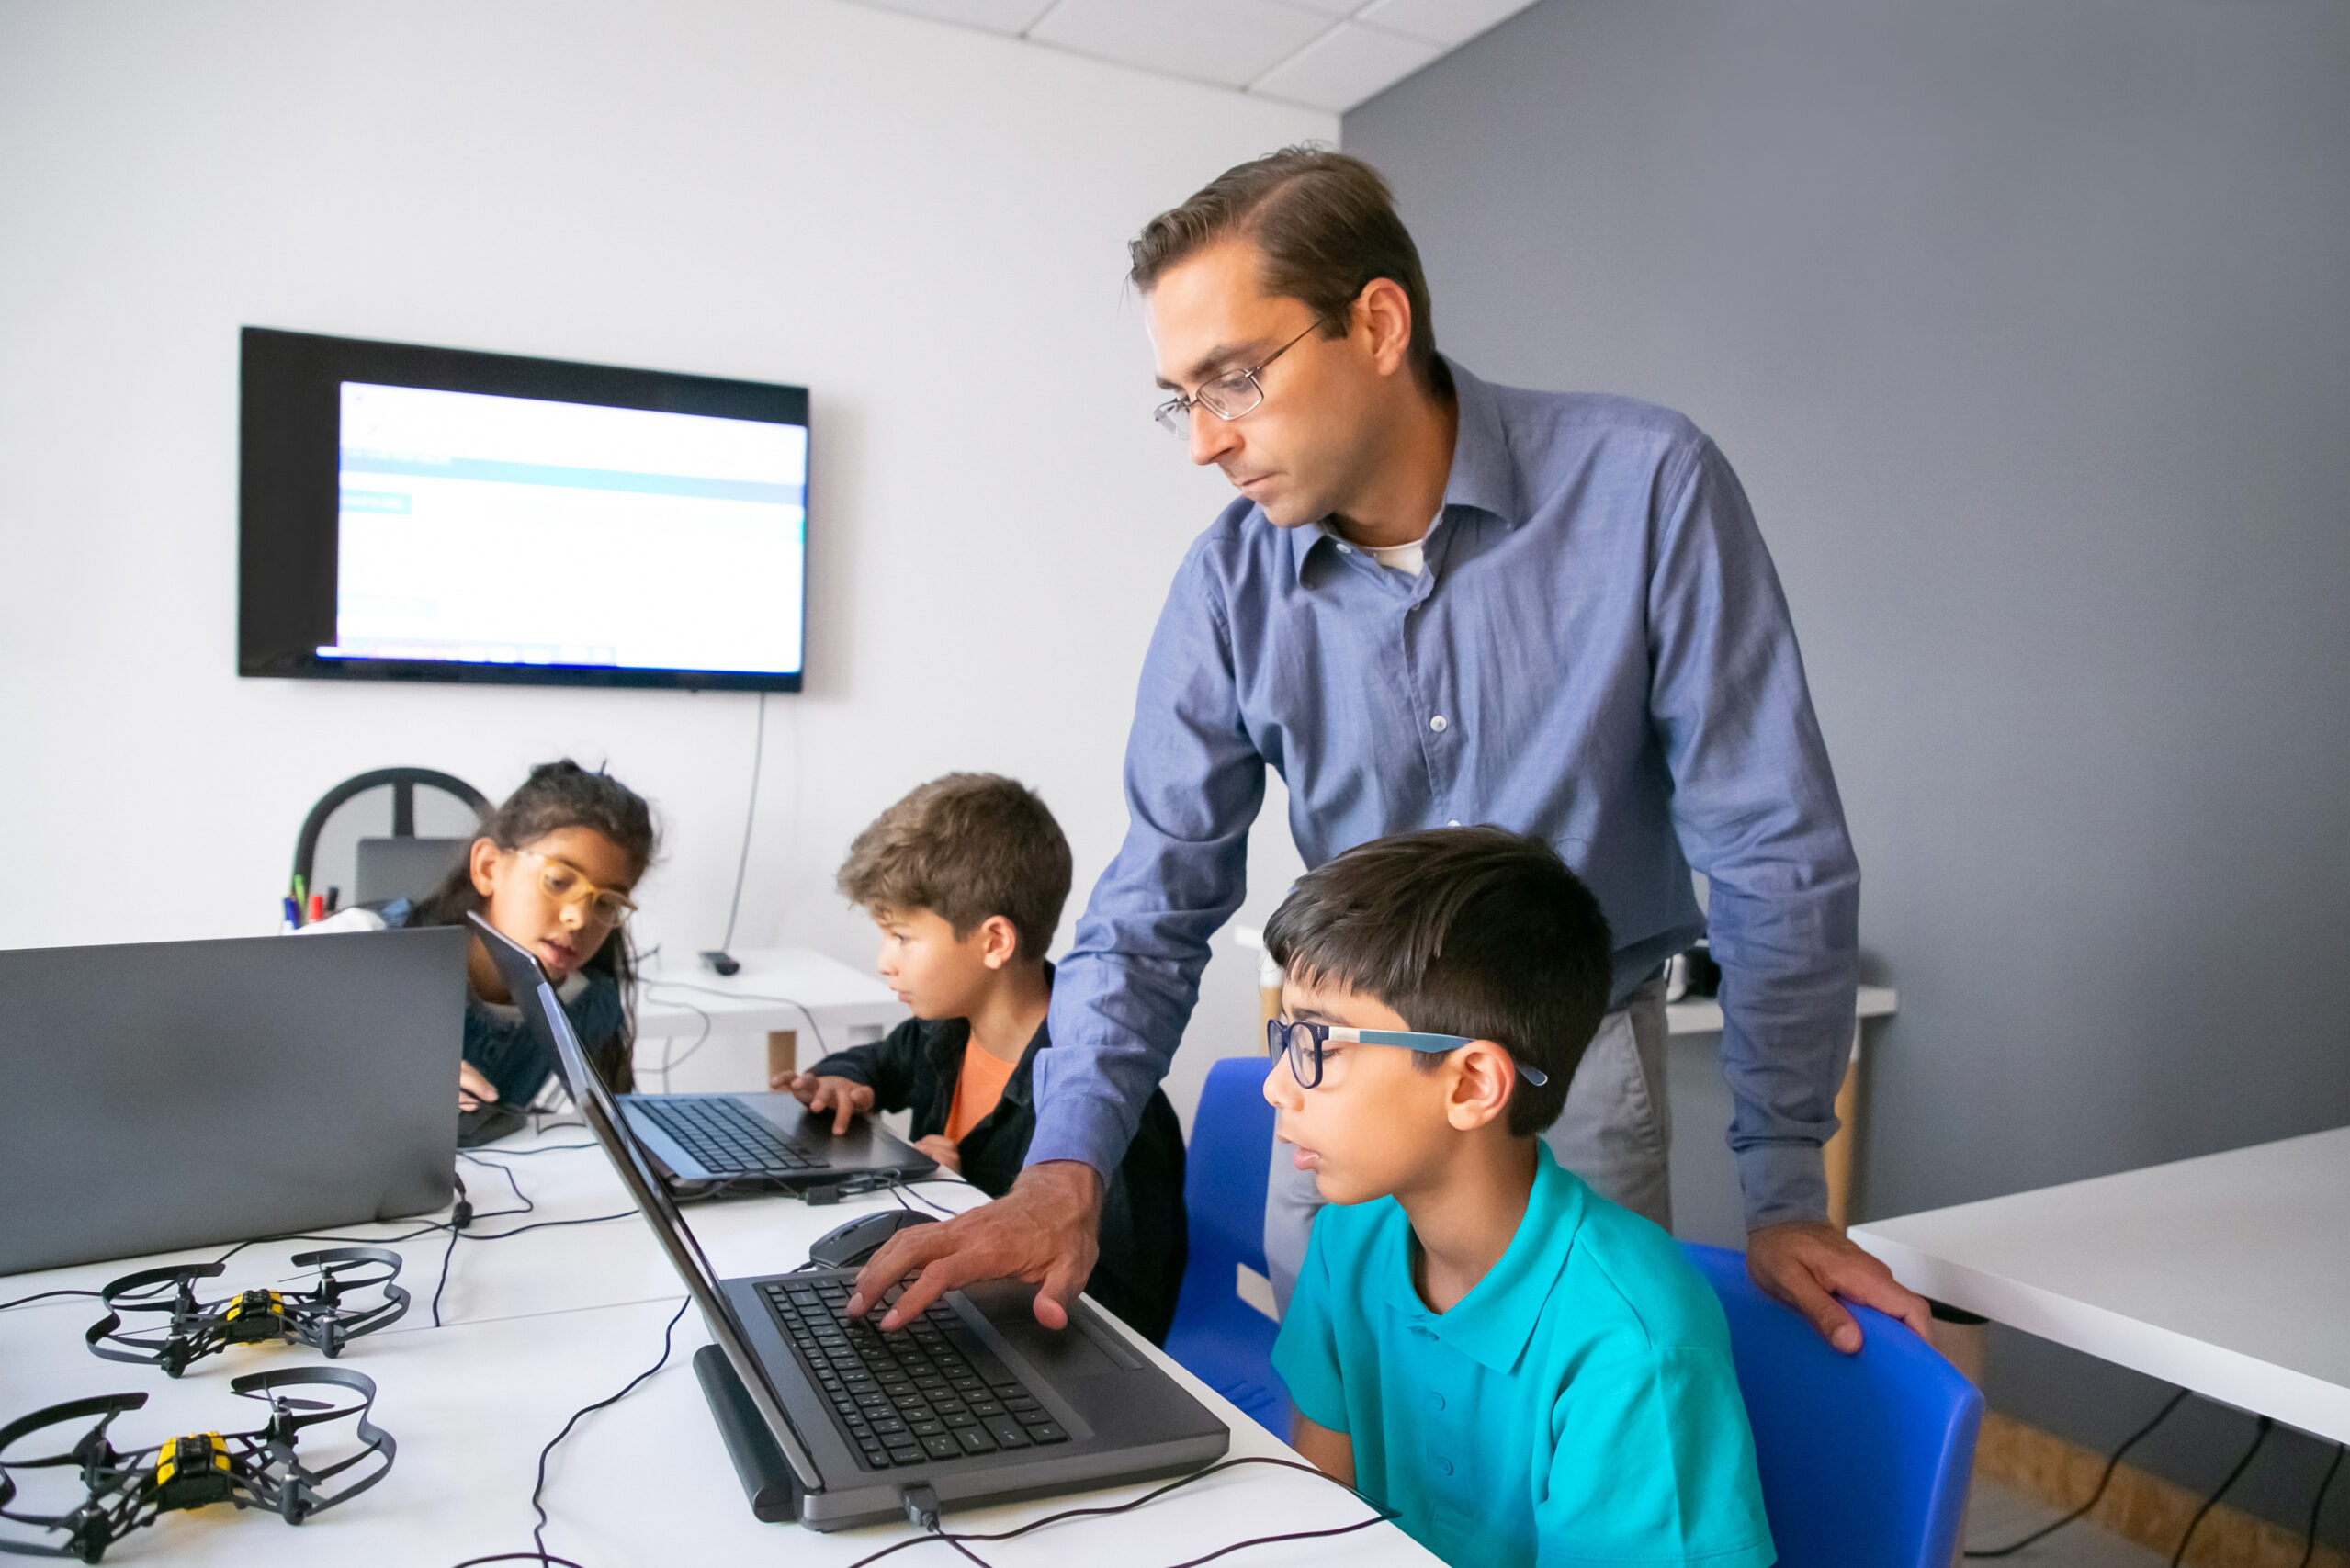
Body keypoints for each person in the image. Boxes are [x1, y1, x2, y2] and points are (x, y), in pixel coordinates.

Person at [847, 147, 1927, 1357]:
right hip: (1337, 1085)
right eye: (1180, 396)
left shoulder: (1645, 488)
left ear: (1376, 321)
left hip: (1564, 1082)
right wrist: (1064, 1168)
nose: (1203, 440)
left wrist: (1786, 1182)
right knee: (1349, 1471)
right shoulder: (1227, 585)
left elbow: (1773, 846)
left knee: (1565, 1461)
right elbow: (1153, 900)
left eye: (1234, 381)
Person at [1265, 827, 1771, 1568]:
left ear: (1471, 1084)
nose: (1279, 1083)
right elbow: (1320, 1524)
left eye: (1321, 1044)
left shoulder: (1630, 1349)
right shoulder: (1351, 1239)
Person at [777, 773, 1188, 1343]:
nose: (884, 962)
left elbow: (1123, 1316)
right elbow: (875, 1063)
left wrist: (953, 1200)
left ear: (995, 941)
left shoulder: (1116, 1119)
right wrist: (841, 1080)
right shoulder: (942, 1033)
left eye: (902, 937)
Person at [305, 760, 656, 1122]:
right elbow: (251, 1047)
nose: (579, 918)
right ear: (489, 867)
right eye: (558, 881)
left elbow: (616, 1135)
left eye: (607, 903)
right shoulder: (361, 945)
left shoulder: (587, 1004)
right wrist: (380, 1073)